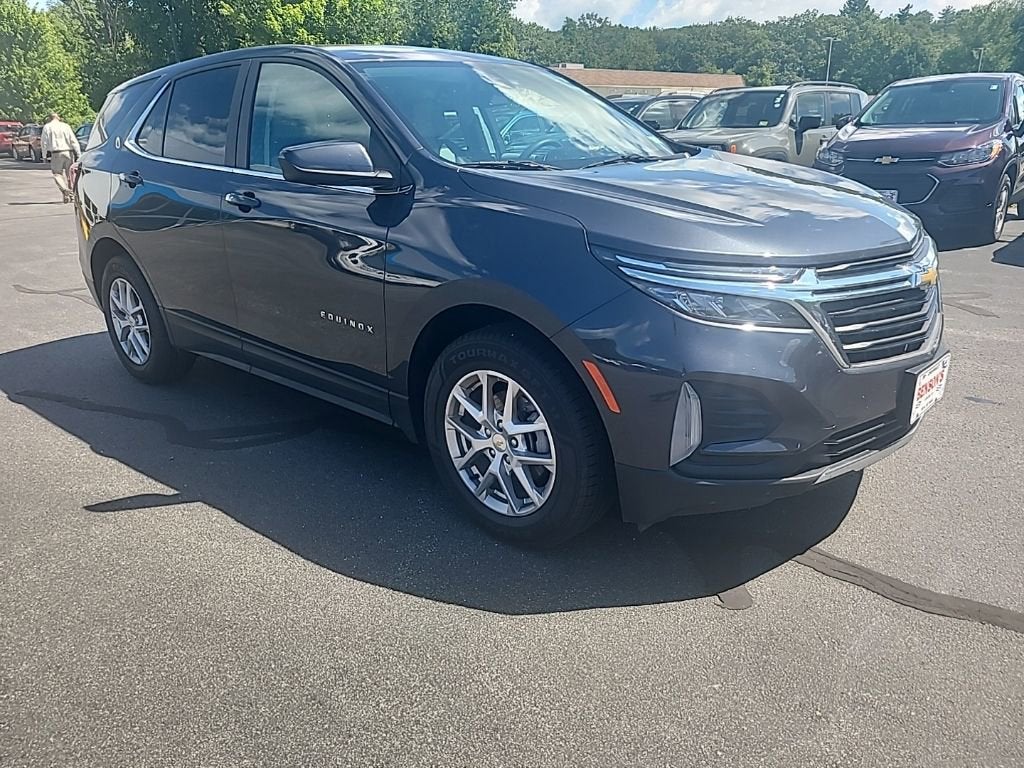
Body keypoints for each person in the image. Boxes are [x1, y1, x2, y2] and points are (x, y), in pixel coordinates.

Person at [40, 112, 80, 203]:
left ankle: (65, 190)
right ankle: (71, 196)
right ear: (58, 117)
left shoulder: (47, 127)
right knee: (70, 175)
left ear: (49, 118)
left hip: (56, 153)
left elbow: (44, 142)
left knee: (57, 174)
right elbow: (73, 140)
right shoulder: (66, 126)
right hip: (68, 152)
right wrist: (78, 154)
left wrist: (44, 155)